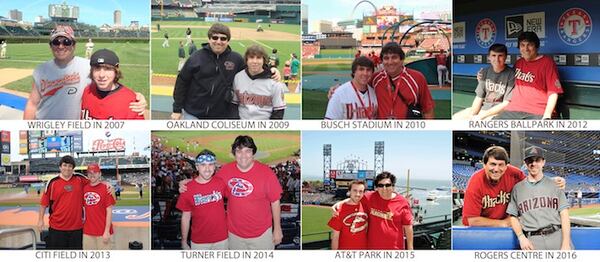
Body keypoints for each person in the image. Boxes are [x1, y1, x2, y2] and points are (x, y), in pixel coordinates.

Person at [23, 25, 146, 120]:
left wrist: (137, 97)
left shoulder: (88, 66)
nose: (61, 46)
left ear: (74, 45)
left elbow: (111, 83)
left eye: (66, 42)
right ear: (51, 45)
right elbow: (32, 104)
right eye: (56, 42)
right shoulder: (41, 70)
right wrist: (25, 129)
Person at [171, 23, 280, 120]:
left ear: (228, 41)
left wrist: (271, 70)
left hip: (222, 116)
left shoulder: (236, 59)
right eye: (215, 37)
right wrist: (176, 109)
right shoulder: (196, 57)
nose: (218, 41)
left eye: (223, 39)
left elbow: (254, 68)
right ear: (209, 39)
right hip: (193, 114)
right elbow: (182, 82)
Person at [462, 146, 566, 227]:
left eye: (501, 165)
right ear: (484, 165)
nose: (496, 169)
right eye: (493, 164)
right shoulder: (476, 181)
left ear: (506, 166)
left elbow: (531, 184)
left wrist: (552, 181)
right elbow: (471, 220)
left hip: (509, 228)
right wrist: (504, 223)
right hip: (484, 231)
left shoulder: (513, 173)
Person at [218, 136, 283, 249]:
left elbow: (275, 202)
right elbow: (209, 184)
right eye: (239, 151)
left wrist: (277, 228)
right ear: (234, 153)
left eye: (248, 151)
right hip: (234, 235)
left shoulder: (267, 173)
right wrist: (189, 183)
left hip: (261, 235)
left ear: (253, 153)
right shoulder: (225, 171)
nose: (243, 156)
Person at [507, 146, 573, 250]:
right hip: (533, 242)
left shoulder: (555, 184)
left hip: (557, 237)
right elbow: (513, 216)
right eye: (530, 161)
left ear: (543, 162)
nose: (533, 164)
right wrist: (521, 237)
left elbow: (564, 215)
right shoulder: (517, 189)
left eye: (537, 160)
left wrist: (565, 243)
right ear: (525, 163)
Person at [495, 32, 563, 120]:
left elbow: (553, 92)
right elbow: (504, 76)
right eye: (522, 45)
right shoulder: (519, 63)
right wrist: (482, 77)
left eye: (530, 45)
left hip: (537, 111)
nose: (526, 49)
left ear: (536, 47)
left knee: (525, 133)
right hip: (513, 110)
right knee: (489, 127)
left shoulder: (547, 63)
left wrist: (547, 115)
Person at [176, 149, 228, 250]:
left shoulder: (221, 182)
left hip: (222, 239)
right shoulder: (187, 189)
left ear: (215, 166)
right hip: (199, 241)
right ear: (197, 167)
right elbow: (185, 218)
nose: (207, 168)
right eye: (203, 164)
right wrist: (183, 241)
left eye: (210, 164)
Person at [371, 42, 435, 119]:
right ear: (382, 61)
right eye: (386, 58)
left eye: (394, 57)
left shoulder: (417, 78)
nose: (390, 62)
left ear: (402, 59)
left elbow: (428, 110)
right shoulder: (375, 79)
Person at [453, 44, 515, 120]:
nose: (497, 59)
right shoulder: (485, 72)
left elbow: (506, 103)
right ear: (489, 57)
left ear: (505, 57)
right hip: (484, 108)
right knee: (455, 118)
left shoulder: (511, 74)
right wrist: (472, 115)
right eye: (494, 55)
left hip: (499, 112)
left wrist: (482, 116)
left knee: (482, 122)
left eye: (500, 56)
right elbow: (479, 97)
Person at [38, 156, 87, 249]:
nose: (67, 168)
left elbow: (94, 183)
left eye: (70, 166)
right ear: (60, 167)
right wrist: (40, 220)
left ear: (73, 168)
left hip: (76, 228)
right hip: (57, 228)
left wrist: (108, 185)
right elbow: (43, 204)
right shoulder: (52, 182)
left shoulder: (80, 179)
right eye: (64, 165)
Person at [81, 49, 145, 120]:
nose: (101, 75)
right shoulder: (87, 91)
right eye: (97, 68)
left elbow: (139, 130)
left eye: (107, 69)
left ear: (116, 71)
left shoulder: (131, 101)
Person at [233, 45, 286, 120]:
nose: (255, 61)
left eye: (258, 58)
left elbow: (278, 111)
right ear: (246, 60)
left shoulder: (274, 81)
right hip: (242, 125)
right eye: (251, 57)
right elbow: (234, 104)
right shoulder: (238, 77)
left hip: (264, 126)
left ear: (264, 60)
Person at [82, 163, 115, 250]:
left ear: (99, 174)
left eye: (95, 172)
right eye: (90, 172)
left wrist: (107, 231)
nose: (92, 175)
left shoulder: (106, 188)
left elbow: (109, 211)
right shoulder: (84, 188)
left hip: (103, 232)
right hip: (87, 232)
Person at [327, 180, 368, 250]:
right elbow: (335, 238)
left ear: (364, 193)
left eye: (361, 191)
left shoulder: (366, 205)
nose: (358, 194)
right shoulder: (339, 210)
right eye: (355, 190)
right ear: (349, 191)